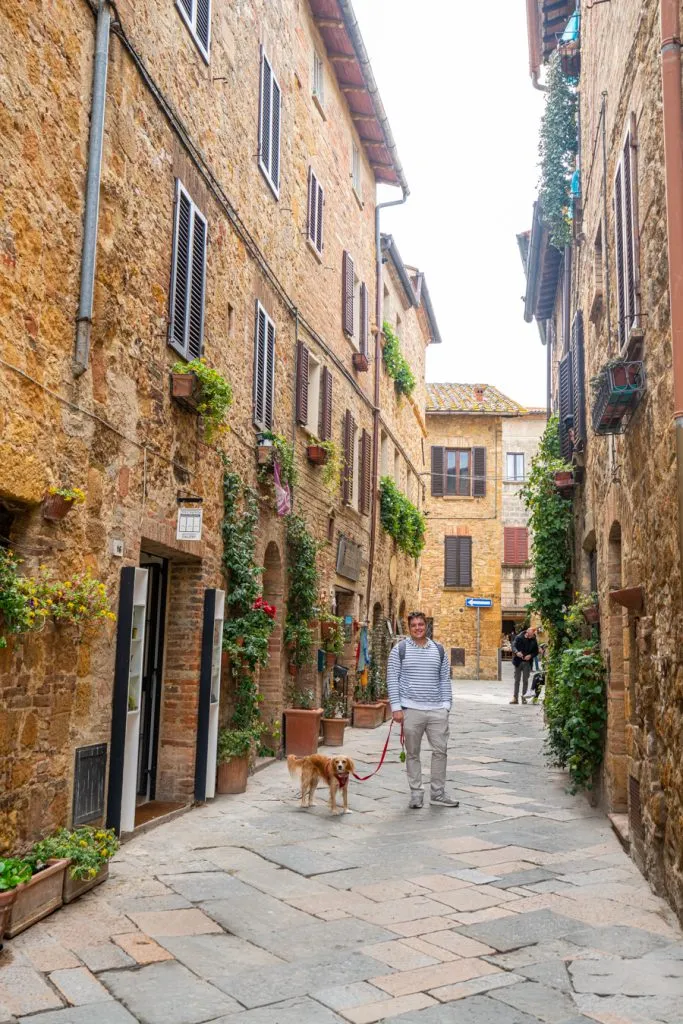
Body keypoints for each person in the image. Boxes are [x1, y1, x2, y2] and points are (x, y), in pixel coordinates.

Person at [387, 611, 459, 810]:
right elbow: (392, 678)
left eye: (421, 624)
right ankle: (416, 793)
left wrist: (446, 706)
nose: (418, 628)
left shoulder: (439, 650)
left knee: (440, 751)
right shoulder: (399, 650)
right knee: (412, 753)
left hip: (437, 710)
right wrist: (396, 707)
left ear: (426, 625)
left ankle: (438, 793)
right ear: (409, 628)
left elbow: (445, 679)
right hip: (411, 710)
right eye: (413, 625)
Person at [511, 626, 539, 705]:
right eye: (530, 635)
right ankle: (515, 698)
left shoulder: (533, 639)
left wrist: (530, 655)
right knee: (517, 680)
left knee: (525, 681)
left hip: (527, 663)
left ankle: (524, 698)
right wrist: (517, 652)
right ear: (527, 633)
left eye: (532, 635)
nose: (531, 637)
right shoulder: (519, 637)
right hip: (518, 662)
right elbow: (513, 646)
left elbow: (536, 651)